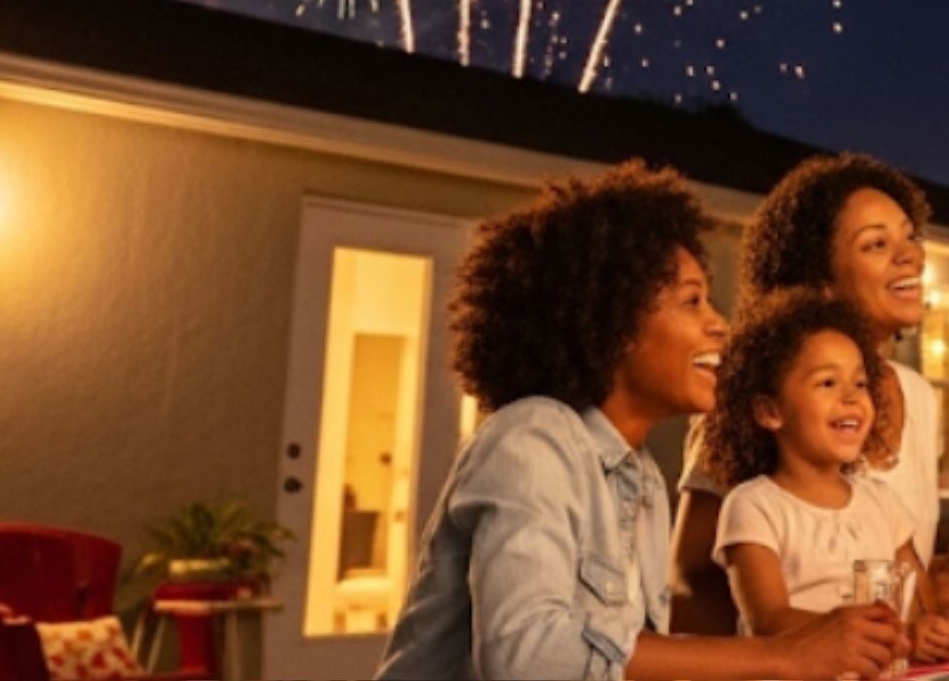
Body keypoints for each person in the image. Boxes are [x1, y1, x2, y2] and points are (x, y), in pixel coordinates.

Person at [375, 163, 898, 681]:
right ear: (616, 322)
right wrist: (783, 656)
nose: (719, 324)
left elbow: (625, 660)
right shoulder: (531, 440)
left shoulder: (641, 478)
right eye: (691, 301)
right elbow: (525, 654)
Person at [670, 154, 949, 635]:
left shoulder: (919, 396)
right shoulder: (757, 400)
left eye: (910, 236)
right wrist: (780, 647)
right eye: (876, 244)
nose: (910, 254)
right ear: (820, 279)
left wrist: (937, 585)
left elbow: (848, 564)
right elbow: (691, 582)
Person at [702, 290, 949, 664]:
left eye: (860, 384)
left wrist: (931, 631)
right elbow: (768, 620)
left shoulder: (882, 503)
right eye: (828, 383)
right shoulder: (754, 506)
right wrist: (861, 638)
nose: (851, 398)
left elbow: (918, 605)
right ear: (770, 411)